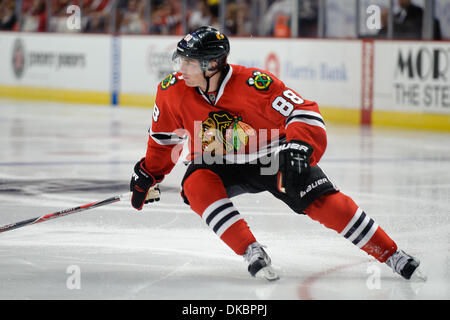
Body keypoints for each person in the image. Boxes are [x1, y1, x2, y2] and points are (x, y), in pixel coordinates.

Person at [129, 26, 426, 281]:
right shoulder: (171, 91)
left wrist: (299, 146)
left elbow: (304, 111)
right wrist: (149, 173)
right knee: (194, 185)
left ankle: (392, 254)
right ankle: (250, 250)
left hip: (271, 153)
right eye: (181, 61)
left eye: (190, 63)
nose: (182, 69)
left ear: (212, 65)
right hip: (218, 158)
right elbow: (164, 139)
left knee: (324, 202)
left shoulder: (254, 84)